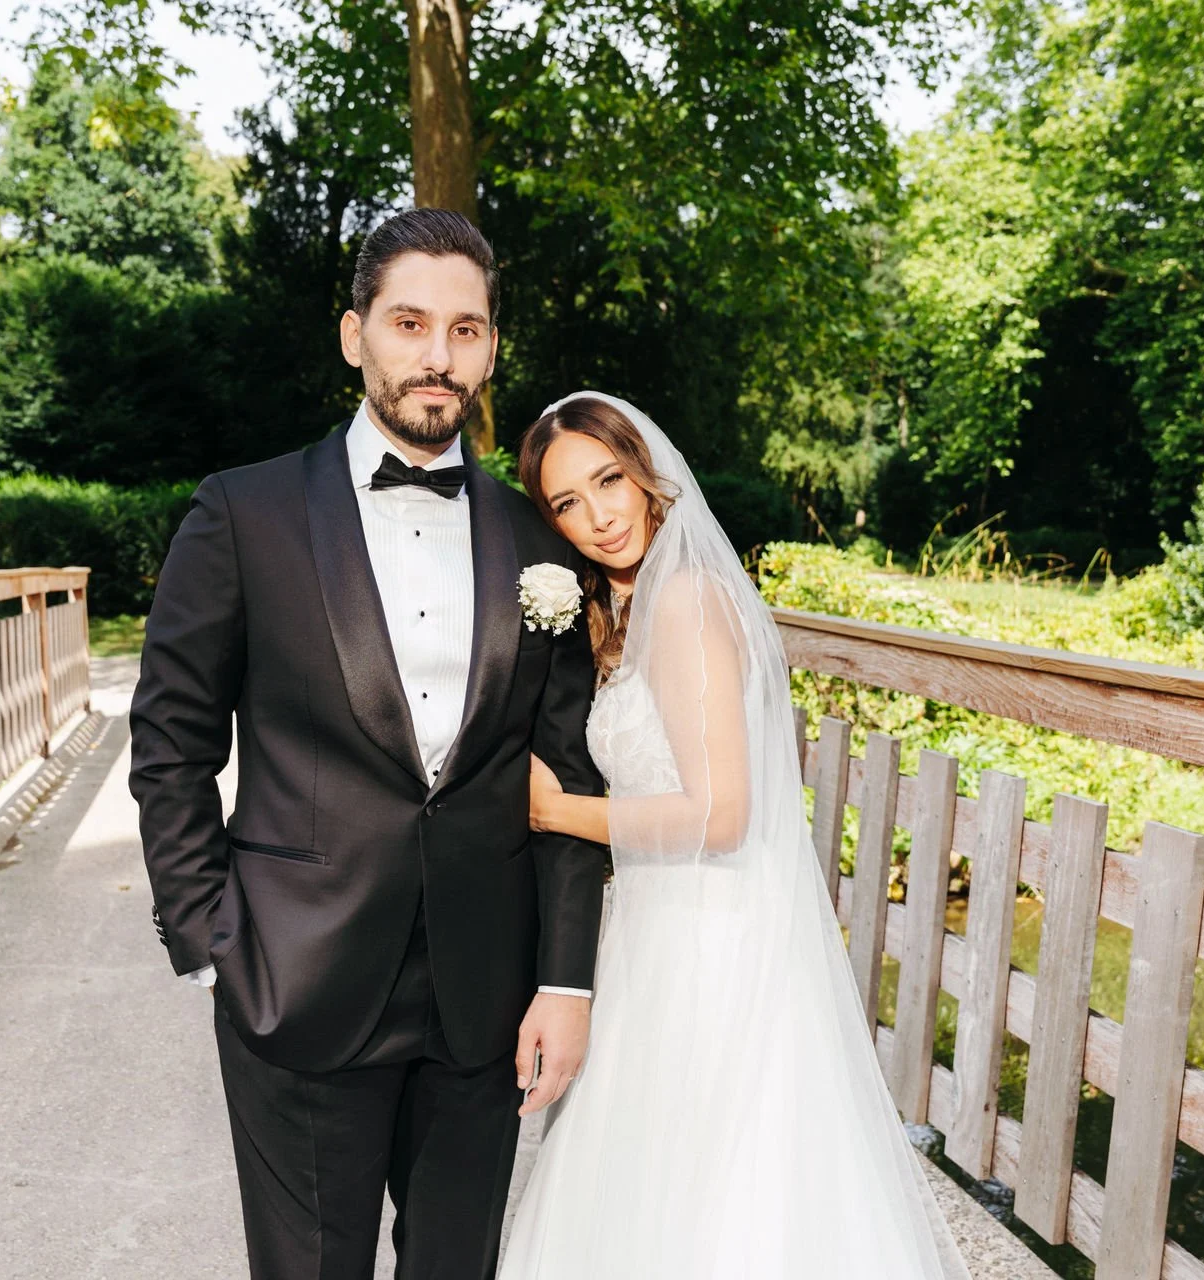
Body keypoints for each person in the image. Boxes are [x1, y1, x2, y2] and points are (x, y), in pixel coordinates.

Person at [129, 209, 607, 1280]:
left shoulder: (541, 538)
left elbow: (569, 770)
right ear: (355, 336)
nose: (439, 356)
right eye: (410, 322)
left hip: (485, 995)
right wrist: (210, 939)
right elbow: (170, 743)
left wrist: (565, 981)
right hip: (293, 977)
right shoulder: (241, 513)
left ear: (491, 348)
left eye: (468, 330)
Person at [499, 391, 972, 1278]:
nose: (597, 517)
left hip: (706, 941)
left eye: (608, 481)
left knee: (708, 1189)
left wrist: (556, 810)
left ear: (646, 476)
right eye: (567, 502)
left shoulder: (685, 601)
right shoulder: (629, 609)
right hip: (654, 928)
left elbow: (720, 816)